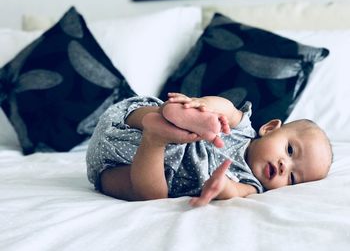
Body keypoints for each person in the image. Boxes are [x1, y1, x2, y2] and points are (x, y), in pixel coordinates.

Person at [86, 92, 333, 207]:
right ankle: (181, 117)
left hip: (120, 166)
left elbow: (233, 190)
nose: (283, 166)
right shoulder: (240, 127)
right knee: (158, 114)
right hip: (129, 124)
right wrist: (204, 106)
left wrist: (221, 185)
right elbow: (227, 107)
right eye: (289, 150)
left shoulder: (251, 185)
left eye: (291, 178)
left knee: (150, 196)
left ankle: (156, 138)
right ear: (269, 128)